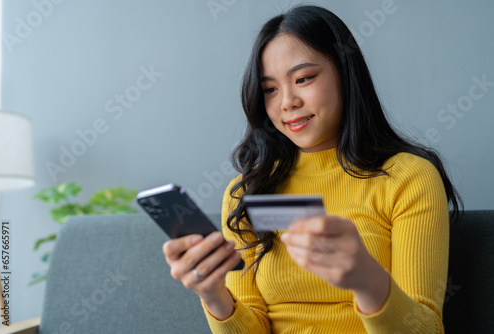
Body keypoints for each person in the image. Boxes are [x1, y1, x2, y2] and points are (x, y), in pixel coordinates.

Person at [162, 5, 462, 333]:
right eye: (270, 90)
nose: (287, 101)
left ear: (345, 75)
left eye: (303, 78)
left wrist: (367, 279)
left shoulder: (407, 178)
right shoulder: (247, 191)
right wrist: (213, 293)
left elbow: (425, 328)